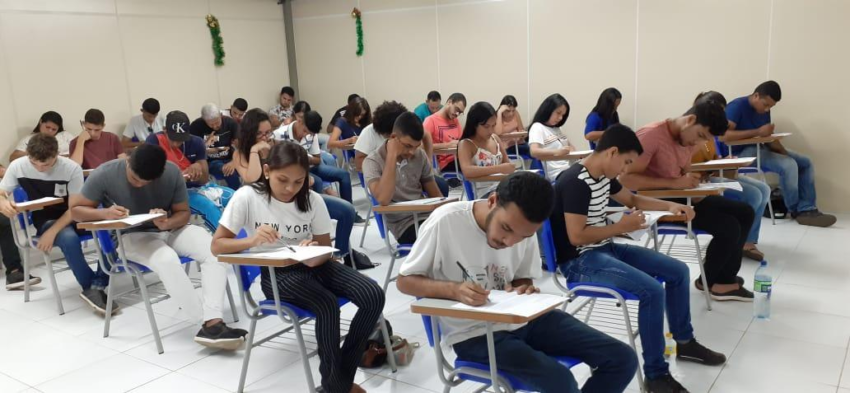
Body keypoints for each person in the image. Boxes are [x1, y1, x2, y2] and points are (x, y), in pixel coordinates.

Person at [397, 172, 638, 393]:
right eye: (505, 228)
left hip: (522, 319)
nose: (509, 241)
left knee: (622, 358)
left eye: (522, 236)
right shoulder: (446, 222)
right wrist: (454, 290)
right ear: (493, 201)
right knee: (560, 381)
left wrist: (524, 287)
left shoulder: (525, 230)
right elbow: (405, 281)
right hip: (474, 333)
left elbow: (522, 277)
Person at [551, 125, 727, 393]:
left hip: (605, 248)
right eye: (626, 162)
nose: (625, 169)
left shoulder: (602, 176)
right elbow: (576, 237)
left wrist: (670, 206)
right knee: (652, 291)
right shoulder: (575, 181)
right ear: (612, 152)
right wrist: (622, 227)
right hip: (580, 262)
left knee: (678, 271)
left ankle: (685, 342)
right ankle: (656, 375)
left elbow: (631, 198)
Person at [212, 142, 383, 393]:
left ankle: (340, 378)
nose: (290, 189)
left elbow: (325, 249)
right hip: (276, 273)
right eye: (283, 180)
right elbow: (217, 246)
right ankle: (335, 385)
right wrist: (252, 240)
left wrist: (312, 247)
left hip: (314, 265)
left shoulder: (313, 200)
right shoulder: (248, 196)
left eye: (298, 181)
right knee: (325, 303)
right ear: (268, 170)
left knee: (373, 294)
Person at [70, 144, 246, 349]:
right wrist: (104, 213)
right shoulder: (105, 173)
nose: (138, 185)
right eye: (134, 179)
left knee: (214, 250)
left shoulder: (171, 172)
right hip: (130, 236)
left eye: (145, 182)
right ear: (128, 161)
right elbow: (76, 211)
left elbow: (183, 213)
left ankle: (213, 319)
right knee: (166, 258)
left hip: (168, 229)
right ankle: (209, 324)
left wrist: (167, 222)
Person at [619, 99, 756, 302]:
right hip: (657, 203)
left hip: (681, 195)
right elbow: (626, 179)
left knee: (745, 212)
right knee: (728, 226)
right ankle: (713, 282)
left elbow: (681, 171)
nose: (697, 144)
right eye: (700, 136)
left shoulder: (686, 138)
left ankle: (721, 278)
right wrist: (673, 183)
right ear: (690, 120)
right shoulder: (651, 135)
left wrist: (694, 182)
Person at [233, 109, 374, 270]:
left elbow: (302, 171)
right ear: (249, 133)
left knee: (346, 210)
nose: (265, 138)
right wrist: (254, 150)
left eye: (268, 133)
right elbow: (252, 178)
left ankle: (339, 256)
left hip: (296, 197)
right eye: (260, 134)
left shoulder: (277, 146)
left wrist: (301, 180)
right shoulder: (240, 155)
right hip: (270, 207)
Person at [0, 133, 116, 311]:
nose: (39, 168)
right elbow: (1, 192)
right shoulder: (18, 166)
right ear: (28, 155)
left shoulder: (71, 168)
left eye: (45, 164)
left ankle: (98, 283)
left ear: (57, 156)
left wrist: (52, 232)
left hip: (75, 214)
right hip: (46, 219)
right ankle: (91, 288)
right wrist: (3, 202)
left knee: (112, 232)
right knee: (68, 238)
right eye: (33, 162)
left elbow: (75, 209)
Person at [721, 81, 836, 227]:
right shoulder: (736, 106)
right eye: (765, 104)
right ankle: (797, 211)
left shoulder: (765, 110)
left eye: (771, 106)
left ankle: (808, 208)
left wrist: (783, 151)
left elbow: (767, 136)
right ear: (756, 95)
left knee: (805, 162)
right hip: (740, 154)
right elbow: (723, 136)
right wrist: (757, 132)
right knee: (789, 165)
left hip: (759, 148)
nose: (767, 109)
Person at [692, 91, 770, 261]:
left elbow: (713, 157)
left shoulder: (710, 131)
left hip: (712, 173)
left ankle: (748, 240)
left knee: (764, 189)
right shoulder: (692, 130)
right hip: (699, 179)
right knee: (753, 194)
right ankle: (739, 242)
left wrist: (726, 161)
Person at [364, 112, 444, 244]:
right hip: (404, 225)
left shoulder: (420, 155)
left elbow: (435, 194)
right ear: (393, 137)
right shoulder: (372, 162)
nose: (412, 152)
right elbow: (383, 199)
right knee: (442, 239)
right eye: (408, 146)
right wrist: (392, 155)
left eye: (416, 147)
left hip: (428, 218)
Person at [147, 111, 234, 232]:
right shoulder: (154, 141)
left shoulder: (196, 142)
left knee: (236, 197)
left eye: (180, 139)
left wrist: (198, 167)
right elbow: (151, 178)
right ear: (165, 130)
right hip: (176, 193)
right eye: (173, 139)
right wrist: (180, 178)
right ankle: (223, 242)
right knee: (209, 208)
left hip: (199, 188)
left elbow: (204, 179)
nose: (176, 143)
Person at [275, 110, 365, 223]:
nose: (305, 135)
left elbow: (317, 159)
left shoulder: (312, 135)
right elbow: (276, 163)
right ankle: (317, 219)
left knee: (344, 175)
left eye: (310, 134)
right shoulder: (279, 135)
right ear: (299, 121)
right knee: (317, 181)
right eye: (304, 131)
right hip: (293, 171)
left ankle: (351, 213)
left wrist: (307, 158)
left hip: (309, 166)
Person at [355, 101, 452, 197]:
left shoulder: (412, 139)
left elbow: (426, 135)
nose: (412, 151)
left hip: (410, 171)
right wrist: (391, 159)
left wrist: (429, 161)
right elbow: (360, 162)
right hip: (385, 175)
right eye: (408, 146)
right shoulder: (369, 135)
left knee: (441, 185)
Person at [457, 102, 514, 199]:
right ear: (474, 124)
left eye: (493, 125)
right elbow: (467, 171)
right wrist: (500, 168)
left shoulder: (495, 138)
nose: (491, 130)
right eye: (486, 126)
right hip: (484, 193)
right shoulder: (466, 144)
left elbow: (507, 166)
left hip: (503, 187)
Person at [190, 103, 241, 190]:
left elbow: (241, 146)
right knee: (228, 171)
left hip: (229, 157)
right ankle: (236, 196)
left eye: (217, 122)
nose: (215, 126)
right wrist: (205, 144)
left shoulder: (230, 123)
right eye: (211, 124)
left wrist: (234, 162)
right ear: (204, 120)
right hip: (211, 161)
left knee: (237, 169)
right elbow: (192, 150)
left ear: (221, 115)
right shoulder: (196, 126)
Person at [529, 93, 577, 181]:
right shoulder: (538, 127)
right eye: (558, 113)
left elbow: (571, 147)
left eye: (563, 115)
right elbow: (534, 151)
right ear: (548, 110)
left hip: (569, 168)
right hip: (557, 172)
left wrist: (572, 150)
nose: (560, 118)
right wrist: (558, 152)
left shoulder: (558, 129)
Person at [423, 92, 467, 182]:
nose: (457, 114)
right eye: (456, 109)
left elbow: (461, 141)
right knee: (474, 165)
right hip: (445, 164)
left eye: (460, 112)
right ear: (449, 102)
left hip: (458, 159)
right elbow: (421, 146)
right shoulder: (430, 121)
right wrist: (447, 145)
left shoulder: (455, 121)